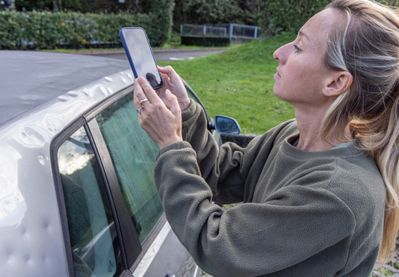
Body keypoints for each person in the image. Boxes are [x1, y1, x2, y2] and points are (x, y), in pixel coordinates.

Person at [133, 0, 399, 275]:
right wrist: (186, 111)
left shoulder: (338, 194)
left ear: (335, 83)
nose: (278, 52)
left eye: (298, 46)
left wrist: (171, 144)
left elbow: (216, 245)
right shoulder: (291, 135)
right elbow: (221, 174)